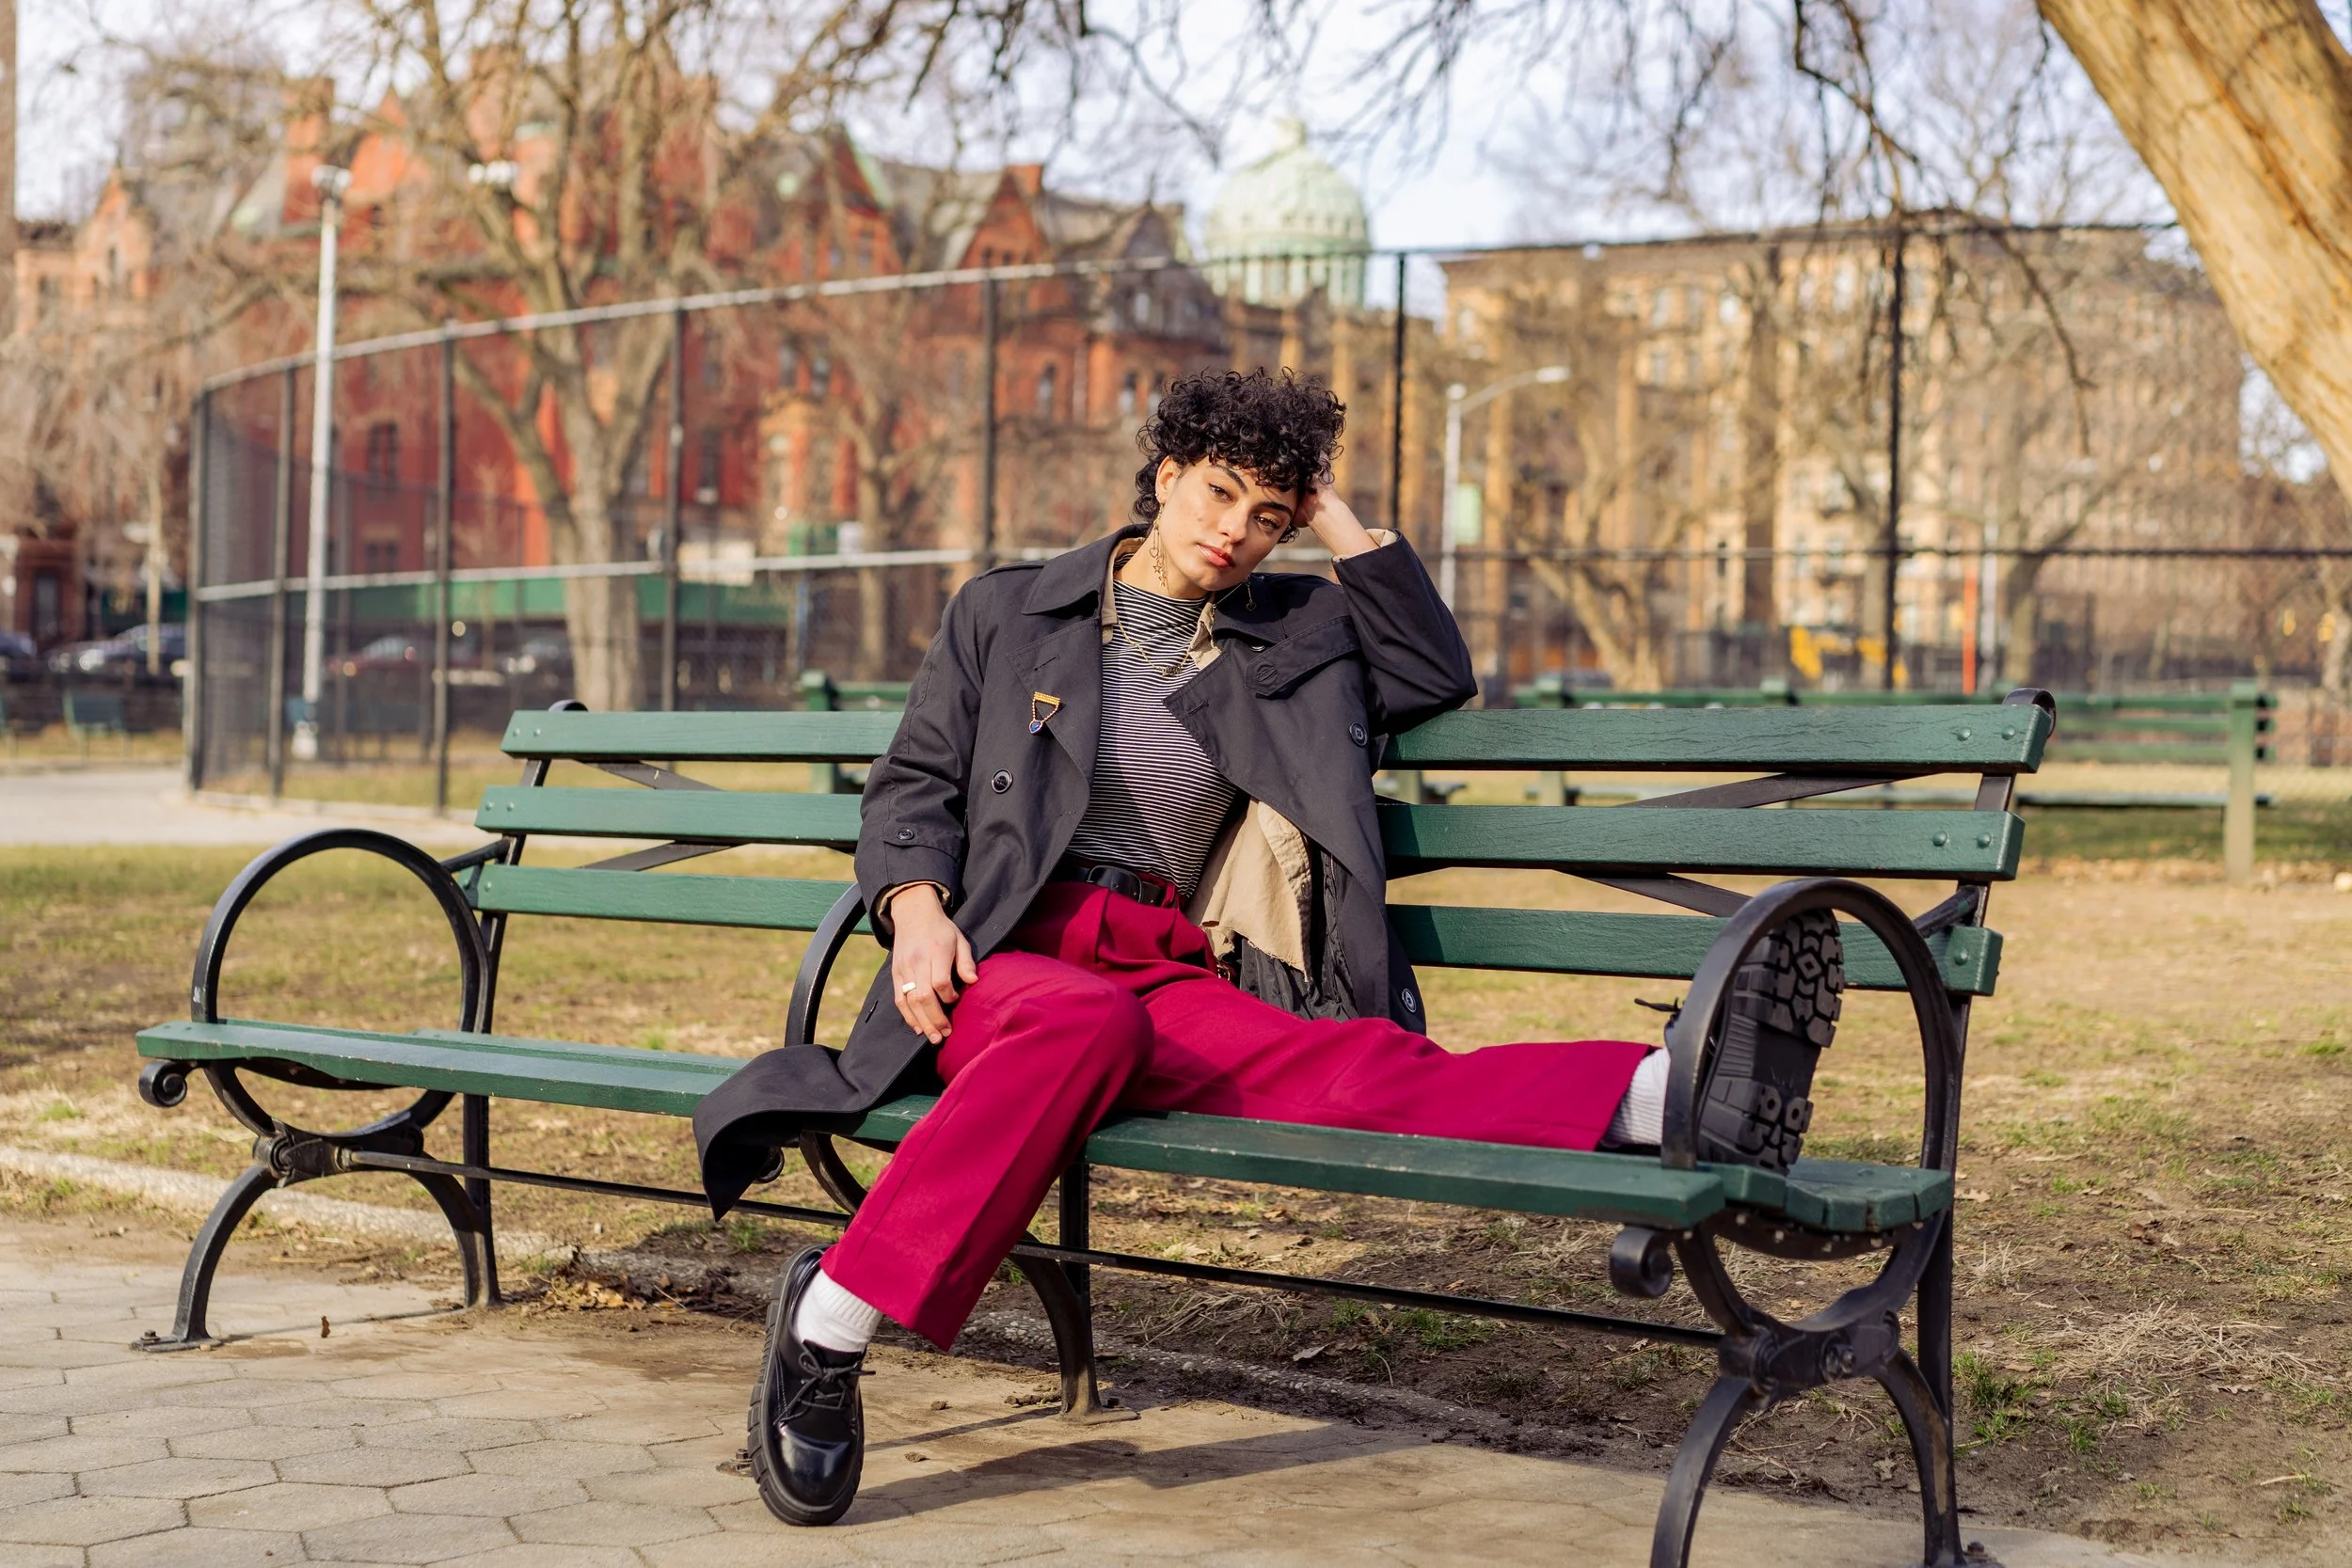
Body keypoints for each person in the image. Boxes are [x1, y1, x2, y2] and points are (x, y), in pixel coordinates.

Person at [691, 368, 1842, 1527]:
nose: (1234, 532)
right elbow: (913, 783)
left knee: (1346, 1067)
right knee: (1086, 1021)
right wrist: (916, 907)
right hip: (1001, 950)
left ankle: (1668, 1088)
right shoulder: (1006, 612)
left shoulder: (1290, 636)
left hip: (1158, 955)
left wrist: (1337, 516)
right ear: (1164, 474)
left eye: (1269, 517)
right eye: (1218, 492)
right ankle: (831, 1330)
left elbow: (1435, 672)